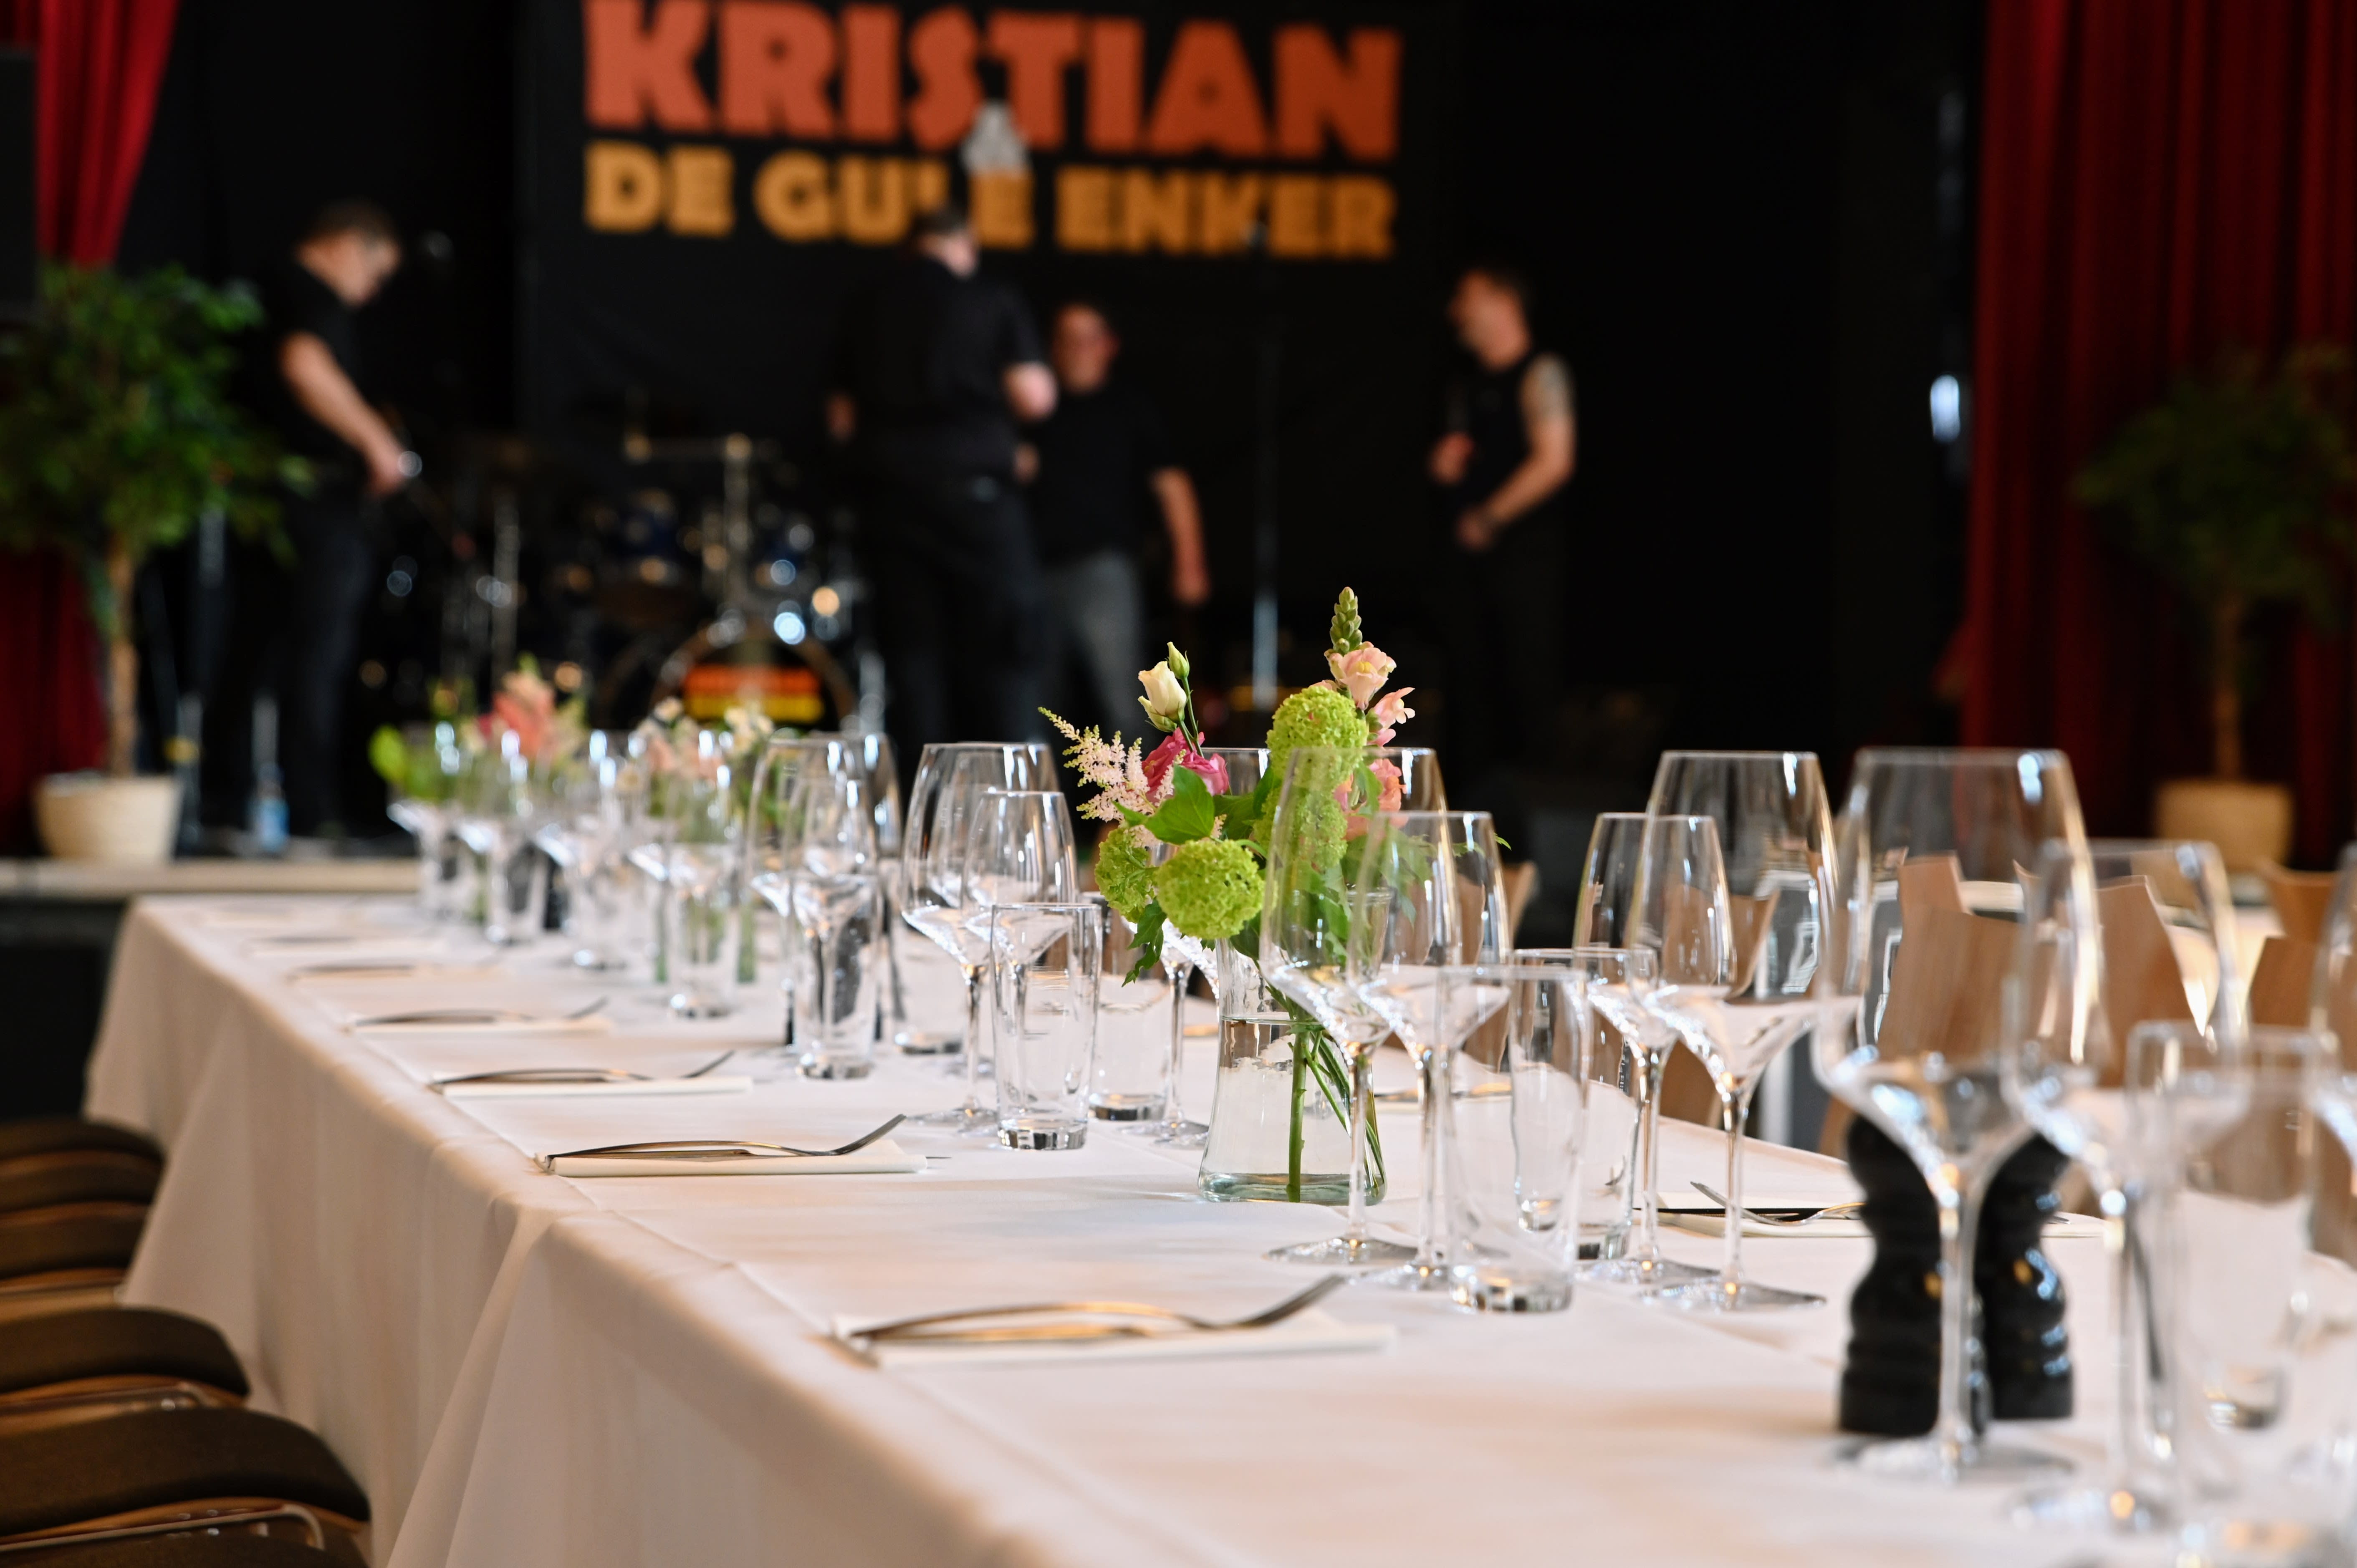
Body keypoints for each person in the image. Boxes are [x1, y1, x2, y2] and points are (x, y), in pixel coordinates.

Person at [206, 199, 409, 840]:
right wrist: (377, 441)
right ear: (349, 244)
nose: (371, 293)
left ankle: (226, 802)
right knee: (315, 656)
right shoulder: (310, 294)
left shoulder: (261, 289)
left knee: (252, 647)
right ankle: (311, 811)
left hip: (262, 498)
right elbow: (305, 365)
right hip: (314, 502)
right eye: (375, 274)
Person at [829, 203, 1056, 763]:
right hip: (978, 502)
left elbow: (840, 421)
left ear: (909, 247)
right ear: (964, 244)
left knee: (914, 664)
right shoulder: (989, 298)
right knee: (1004, 657)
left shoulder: (868, 305)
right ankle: (1009, 797)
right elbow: (1034, 397)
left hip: (892, 505)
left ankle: (923, 803)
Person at [1022, 300, 1209, 737]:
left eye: (1087, 338)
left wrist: (1190, 563)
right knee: (1036, 709)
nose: (1077, 350)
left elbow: (1172, 485)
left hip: (1104, 572)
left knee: (1126, 704)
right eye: (1067, 339)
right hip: (1032, 574)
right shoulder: (1032, 410)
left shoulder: (1130, 408)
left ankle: (1139, 785)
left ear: (1109, 345)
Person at [1429, 261, 1576, 791]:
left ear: (1503, 301)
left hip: (1523, 560)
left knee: (1525, 687)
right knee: (1469, 694)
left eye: (1467, 297)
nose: (1456, 312)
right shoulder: (1467, 385)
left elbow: (1554, 460)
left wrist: (1490, 518)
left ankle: (1535, 810)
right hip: (1468, 570)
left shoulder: (1540, 371)